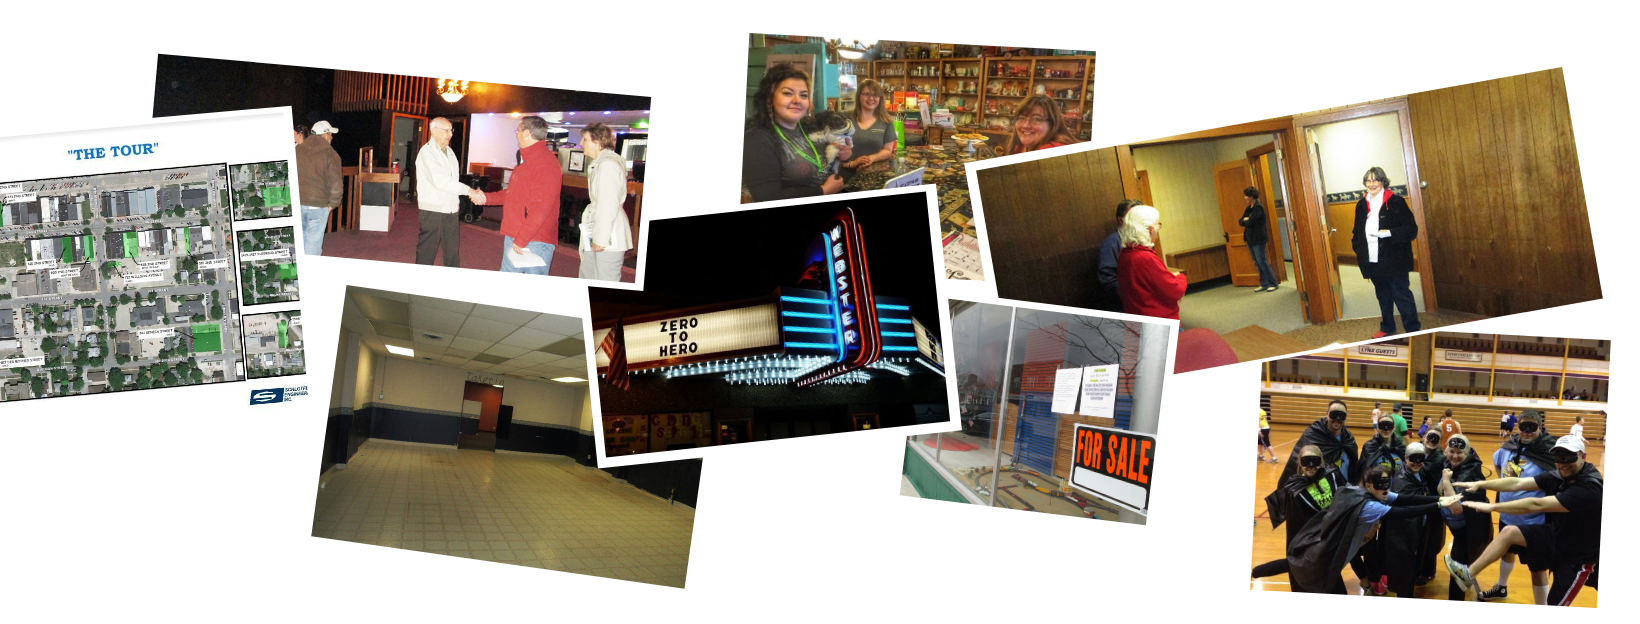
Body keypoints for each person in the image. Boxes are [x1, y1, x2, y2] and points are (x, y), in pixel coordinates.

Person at [1252, 465, 1462, 595]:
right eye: (1381, 486)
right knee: (1303, 567)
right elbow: (1403, 511)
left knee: (1296, 564)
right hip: (1328, 551)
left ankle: (1254, 573)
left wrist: (1439, 498)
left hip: (1331, 544)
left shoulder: (1363, 491)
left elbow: (1405, 498)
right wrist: (1438, 506)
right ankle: (1253, 573)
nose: (1386, 490)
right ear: (1369, 485)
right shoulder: (1370, 506)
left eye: (1387, 486)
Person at [1448, 435, 1603, 606]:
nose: (1563, 462)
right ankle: (1468, 575)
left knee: (1554, 604)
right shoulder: (1559, 475)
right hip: (1558, 536)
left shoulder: (1590, 488)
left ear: (1583, 457)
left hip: (1577, 556)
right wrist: (1480, 484)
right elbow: (1516, 483)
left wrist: (1493, 507)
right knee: (1510, 532)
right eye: (1559, 457)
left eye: (1570, 456)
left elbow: (1536, 504)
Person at [1474, 410, 1556, 602]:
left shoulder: (1549, 452)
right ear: (1518, 426)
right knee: (1506, 553)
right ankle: (1501, 587)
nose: (1527, 432)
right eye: (1523, 427)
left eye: (1532, 427)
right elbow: (1500, 467)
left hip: (1534, 522)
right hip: (1507, 515)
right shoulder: (1509, 446)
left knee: (1537, 569)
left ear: (1540, 427)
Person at [741, 63, 851, 201]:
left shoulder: (808, 126)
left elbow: (825, 163)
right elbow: (768, 198)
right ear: (769, 98)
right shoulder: (756, 139)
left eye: (803, 95)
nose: (797, 100)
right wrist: (823, 191)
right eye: (787, 93)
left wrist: (843, 155)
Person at [472, 115, 563, 275]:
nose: (516, 134)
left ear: (527, 133)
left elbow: (541, 208)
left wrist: (521, 239)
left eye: (518, 130)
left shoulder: (546, 163)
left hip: (533, 240)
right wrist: (486, 198)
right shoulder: (527, 162)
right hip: (517, 235)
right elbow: (512, 194)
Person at [1262, 444, 1347, 590]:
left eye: (1314, 462)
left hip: (1334, 538)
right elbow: (1295, 527)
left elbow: (1347, 500)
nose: (1311, 467)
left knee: (1333, 581)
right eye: (1306, 462)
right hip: (1313, 543)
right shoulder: (1294, 490)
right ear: (1300, 463)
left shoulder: (1333, 475)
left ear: (1321, 461)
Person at [1350, 166, 1420, 339]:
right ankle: (1387, 327)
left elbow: (1411, 229)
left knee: (1401, 294)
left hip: (1395, 258)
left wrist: (1390, 233)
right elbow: (1357, 232)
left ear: (1383, 181)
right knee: (1382, 294)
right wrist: (1359, 250)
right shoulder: (1361, 205)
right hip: (1372, 259)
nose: (1371, 184)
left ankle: (1413, 329)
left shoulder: (1396, 202)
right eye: (1368, 180)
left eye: (1375, 180)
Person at [1268, 399, 1361, 525]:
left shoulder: (1348, 438)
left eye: (1342, 416)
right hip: (1320, 496)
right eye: (1334, 414)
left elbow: (1354, 466)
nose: (1337, 419)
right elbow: (1297, 466)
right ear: (1326, 413)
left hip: (1342, 493)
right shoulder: (1313, 435)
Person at [1435, 433, 1494, 600]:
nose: (1454, 455)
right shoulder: (1450, 463)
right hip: (1460, 527)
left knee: (1457, 568)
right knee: (1465, 564)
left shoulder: (1471, 474)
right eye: (1451, 451)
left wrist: (1446, 481)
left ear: (1467, 454)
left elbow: (1455, 508)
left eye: (1459, 452)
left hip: (1469, 530)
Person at [413, 117, 476, 268]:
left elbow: (452, 180)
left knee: (452, 251)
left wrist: (457, 202)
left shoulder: (449, 151)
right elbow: (439, 180)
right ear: (434, 131)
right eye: (446, 130)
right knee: (426, 252)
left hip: (451, 209)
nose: (450, 134)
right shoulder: (426, 152)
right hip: (433, 209)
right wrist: (468, 190)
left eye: (451, 130)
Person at [1387, 442, 1447, 595]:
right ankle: (1404, 594)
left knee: (1415, 561)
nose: (1416, 463)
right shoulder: (1402, 479)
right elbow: (1407, 505)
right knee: (1404, 564)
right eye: (1413, 458)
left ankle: (1410, 587)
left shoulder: (1422, 472)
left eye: (1420, 459)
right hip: (1405, 531)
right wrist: (1436, 503)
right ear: (1405, 458)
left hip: (1420, 525)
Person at [577, 122, 633, 281]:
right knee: (589, 274)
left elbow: (607, 204)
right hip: (600, 230)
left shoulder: (607, 165)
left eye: (585, 139)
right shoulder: (602, 163)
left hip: (608, 235)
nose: (581, 144)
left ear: (598, 142)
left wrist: (600, 238)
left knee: (605, 278)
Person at [1116, 205, 1187, 320]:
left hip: (1137, 320)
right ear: (1150, 229)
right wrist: (1180, 277)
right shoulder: (1145, 257)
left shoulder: (1126, 253)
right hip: (1157, 323)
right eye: (1157, 225)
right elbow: (1175, 291)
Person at [296, 120, 344, 257]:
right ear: (324, 135)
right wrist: (333, 204)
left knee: (298, 243)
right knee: (313, 245)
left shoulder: (297, 150)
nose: (332, 137)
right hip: (318, 206)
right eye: (330, 134)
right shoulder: (331, 154)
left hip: (297, 203)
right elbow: (336, 184)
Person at [838, 79, 896, 183]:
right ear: (858, 96)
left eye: (875, 95)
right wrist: (852, 163)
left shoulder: (886, 121)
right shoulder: (845, 118)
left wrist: (870, 159)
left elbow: (887, 150)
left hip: (872, 176)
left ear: (880, 98)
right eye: (867, 94)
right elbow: (834, 147)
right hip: (844, 176)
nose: (871, 98)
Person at [1097, 200, 1141, 312]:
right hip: (1125, 304)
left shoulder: (1142, 239)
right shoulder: (1111, 243)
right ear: (1120, 219)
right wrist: (1133, 295)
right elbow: (1108, 281)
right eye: (1131, 216)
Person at [1005, 95, 1078, 155]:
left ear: (1052, 124)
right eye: (1021, 118)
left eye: (1036, 119)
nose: (1025, 125)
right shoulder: (1020, 147)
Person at [1238, 187, 1279, 292]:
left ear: (1252, 197)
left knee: (1262, 261)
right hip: (1249, 239)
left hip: (1258, 238)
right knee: (1256, 262)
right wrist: (1245, 220)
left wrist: (1247, 220)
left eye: (1247, 196)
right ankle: (1264, 283)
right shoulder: (1248, 209)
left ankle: (1272, 283)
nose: (1245, 198)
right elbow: (1240, 221)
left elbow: (1250, 222)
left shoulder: (1258, 207)